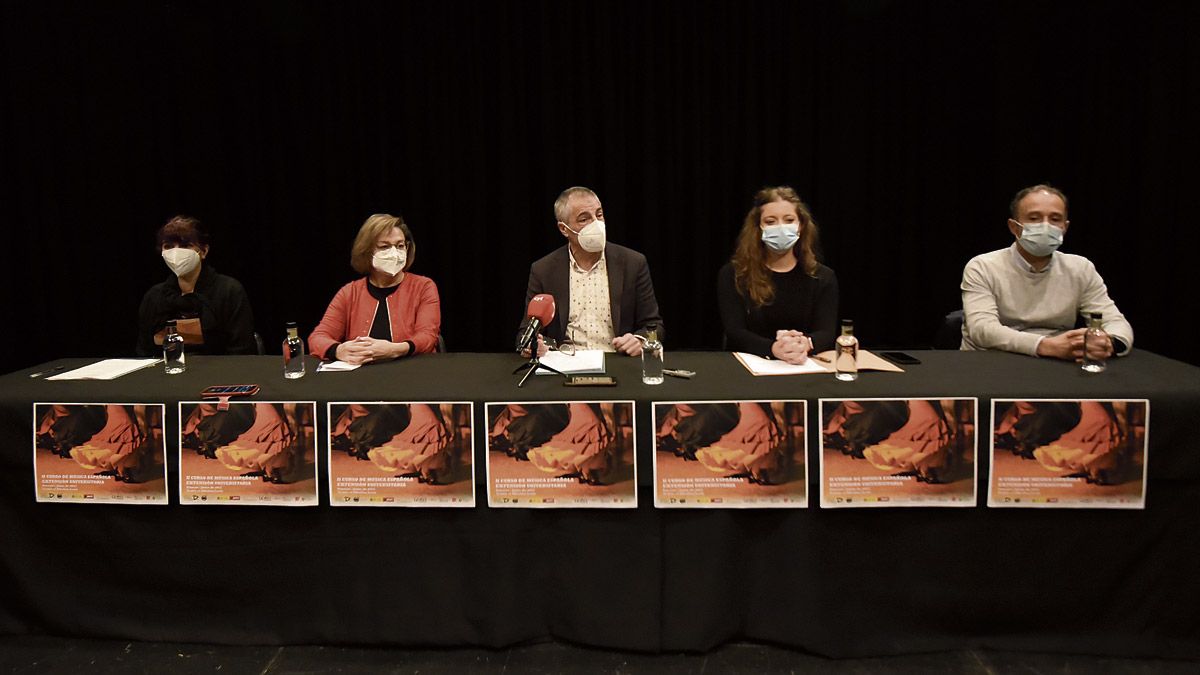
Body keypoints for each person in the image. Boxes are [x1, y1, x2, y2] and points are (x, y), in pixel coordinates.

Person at [961, 184, 1133, 359]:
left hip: (1055, 363)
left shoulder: (1080, 268)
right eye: (1034, 218)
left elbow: (1115, 322)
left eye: (1055, 219)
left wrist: (1107, 343)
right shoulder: (983, 266)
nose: (1046, 226)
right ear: (1014, 227)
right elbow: (982, 329)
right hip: (991, 362)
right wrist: (1045, 345)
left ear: (1064, 228)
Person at [520, 186, 663, 357]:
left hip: (617, 362)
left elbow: (654, 326)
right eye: (584, 219)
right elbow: (525, 333)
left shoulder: (632, 263)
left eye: (599, 215)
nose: (596, 224)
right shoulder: (544, 270)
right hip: (565, 365)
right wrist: (535, 346)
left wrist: (640, 340)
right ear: (564, 229)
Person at [717, 186, 838, 363]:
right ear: (758, 227)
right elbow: (735, 331)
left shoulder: (822, 277)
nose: (780, 228)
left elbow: (826, 332)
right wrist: (773, 348)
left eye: (789, 220)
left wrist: (805, 343)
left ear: (801, 226)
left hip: (802, 365)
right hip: (748, 368)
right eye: (771, 221)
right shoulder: (734, 274)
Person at [309, 214, 441, 364]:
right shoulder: (350, 292)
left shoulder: (423, 286)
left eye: (400, 245)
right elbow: (318, 337)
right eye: (384, 246)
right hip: (362, 377)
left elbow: (428, 336)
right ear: (367, 251)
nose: (394, 253)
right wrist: (338, 350)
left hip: (412, 372)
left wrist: (395, 349)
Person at [136, 216, 256, 356]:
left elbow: (242, 351)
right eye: (168, 246)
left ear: (203, 251)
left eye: (185, 246)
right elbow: (144, 352)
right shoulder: (154, 297)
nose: (176, 253)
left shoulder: (229, 291)